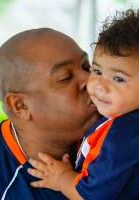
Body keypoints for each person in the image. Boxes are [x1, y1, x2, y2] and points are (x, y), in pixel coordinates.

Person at [0, 28, 99, 200]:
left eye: (86, 66)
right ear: (20, 105)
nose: (89, 80)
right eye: (66, 77)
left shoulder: (121, 136)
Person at [28, 9, 139, 200]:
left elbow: (91, 196)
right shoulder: (120, 119)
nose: (100, 86)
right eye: (96, 70)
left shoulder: (125, 134)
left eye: (119, 78)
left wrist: (61, 177)